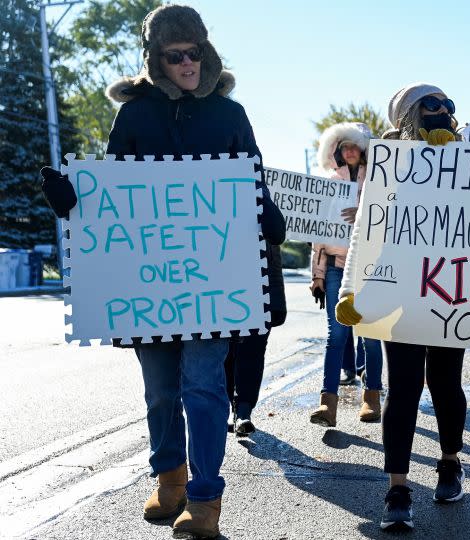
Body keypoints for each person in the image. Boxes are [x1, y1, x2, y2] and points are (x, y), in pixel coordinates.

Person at [40, 5, 287, 538]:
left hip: (213, 284)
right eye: (174, 55)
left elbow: (253, 177)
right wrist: (71, 202)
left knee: (203, 388)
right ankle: (168, 476)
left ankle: (204, 499)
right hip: (148, 285)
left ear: (205, 51)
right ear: (155, 59)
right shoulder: (135, 117)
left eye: (193, 52)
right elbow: (109, 194)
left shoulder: (229, 115)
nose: (187, 62)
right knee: (159, 392)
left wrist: (265, 212)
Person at [335, 83, 467, 532]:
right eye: (431, 105)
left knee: (447, 383)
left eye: (448, 105)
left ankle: (449, 462)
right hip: (401, 290)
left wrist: (457, 156)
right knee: (404, 386)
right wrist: (350, 290)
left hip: (451, 289)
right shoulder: (386, 165)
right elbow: (365, 235)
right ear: (408, 114)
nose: (443, 111)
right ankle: (398, 488)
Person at [308, 122, 384, 426]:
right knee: (336, 335)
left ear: (363, 148)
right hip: (337, 269)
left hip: (370, 269)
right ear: (336, 152)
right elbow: (318, 236)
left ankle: (372, 398)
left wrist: (364, 214)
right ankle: (328, 405)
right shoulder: (327, 183)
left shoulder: (379, 181)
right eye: (343, 147)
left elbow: (389, 219)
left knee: (371, 336)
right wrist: (317, 276)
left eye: (354, 145)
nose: (349, 151)